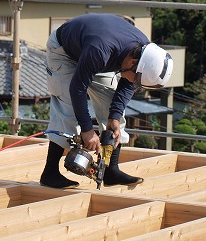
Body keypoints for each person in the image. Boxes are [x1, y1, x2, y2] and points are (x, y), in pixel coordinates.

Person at [39, 13, 173, 188]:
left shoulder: (143, 55)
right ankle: (49, 173)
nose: (134, 83)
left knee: (113, 107)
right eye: (136, 79)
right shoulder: (101, 50)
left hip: (102, 54)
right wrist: (87, 130)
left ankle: (110, 171)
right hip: (65, 51)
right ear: (133, 62)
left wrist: (114, 117)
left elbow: (127, 85)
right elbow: (77, 88)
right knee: (67, 108)